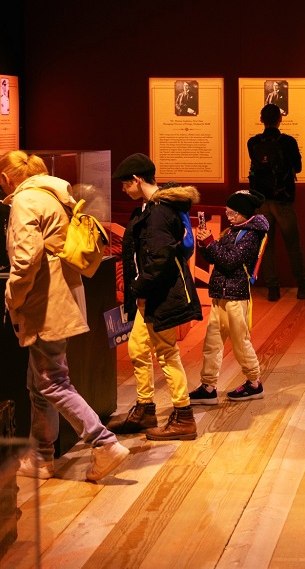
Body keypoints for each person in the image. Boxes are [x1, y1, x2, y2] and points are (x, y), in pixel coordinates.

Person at [0, 150, 129, 482]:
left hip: (46, 301)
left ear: (6, 178)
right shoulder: (55, 196)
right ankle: (41, 457)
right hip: (62, 295)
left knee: (52, 381)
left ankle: (104, 443)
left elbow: (26, 260)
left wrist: (12, 296)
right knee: (39, 382)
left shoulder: (26, 201)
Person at [109, 153, 202, 441]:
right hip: (148, 295)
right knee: (138, 348)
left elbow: (160, 258)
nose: (124, 190)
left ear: (137, 179)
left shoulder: (159, 212)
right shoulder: (150, 208)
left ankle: (184, 417)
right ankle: (145, 409)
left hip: (159, 295)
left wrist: (139, 288)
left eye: (126, 184)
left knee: (166, 353)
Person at [188, 189, 269, 404]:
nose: (229, 217)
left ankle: (254, 383)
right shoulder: (233, 231)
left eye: (233, 213)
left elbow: (230, 261)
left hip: (236, 296)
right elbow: (215, 258)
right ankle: (208, 386)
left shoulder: (251, 235)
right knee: (212, 343)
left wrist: (211, 243)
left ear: (245, 212)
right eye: (227, 212)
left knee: (240, 342)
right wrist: (204, 244)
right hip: (220, 294)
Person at [247, 103, 305, 302]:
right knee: (293, 244)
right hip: (282, 200)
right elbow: (297, 168)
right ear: (280, 119)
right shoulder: (288, 142)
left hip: (261, 201)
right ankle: (303, 286)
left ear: (261, 119)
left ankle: (273, 289)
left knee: (267, 245)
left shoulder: (252, 142)